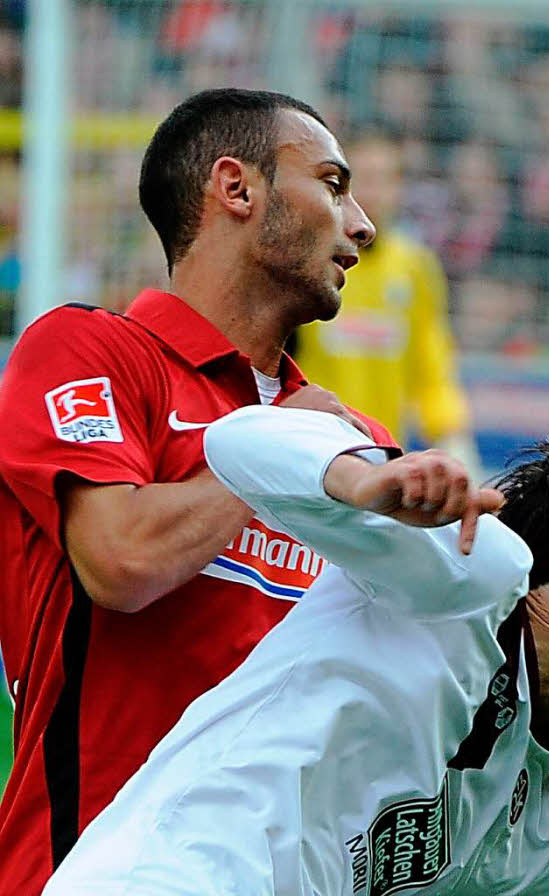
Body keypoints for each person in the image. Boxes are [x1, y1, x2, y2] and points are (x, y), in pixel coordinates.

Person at [43, 397, 549, 895]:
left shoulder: (539, 836)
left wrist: (546, 753)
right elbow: (239, 441)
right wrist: (360, 477)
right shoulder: (473, 569)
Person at [0, 88, 396, 894]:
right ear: (236, 188)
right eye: (332, 182)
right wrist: (283, 452)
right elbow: (122, 560)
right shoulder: (91, 352)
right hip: (86, 874)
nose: (362, 224)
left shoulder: (354, 442)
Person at [294, 126, 480, 470]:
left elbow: (431, 365)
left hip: (384, 457)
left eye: (384, 179)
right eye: (362, 178)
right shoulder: (307, 261)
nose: (373, 191)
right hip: (314, 456)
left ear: (399, 188)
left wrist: (452, 439)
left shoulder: (415, 267)